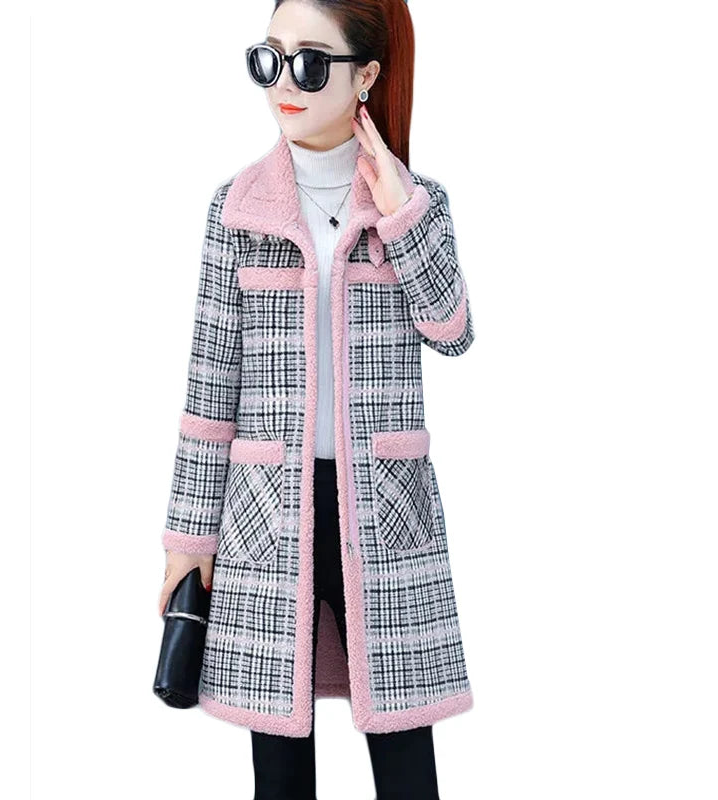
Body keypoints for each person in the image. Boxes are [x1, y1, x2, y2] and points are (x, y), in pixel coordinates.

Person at [158, 1, 476, 797]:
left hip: (385, 509)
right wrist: (188, 540)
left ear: (366, 75)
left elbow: (452, 330)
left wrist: (402, 213)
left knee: (406, 760)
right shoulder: (238, 209)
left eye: (309, 63)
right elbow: (210, 383)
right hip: (267, 512)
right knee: (279, 766)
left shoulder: (416, 204)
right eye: (270, 59)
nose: (283, 85)